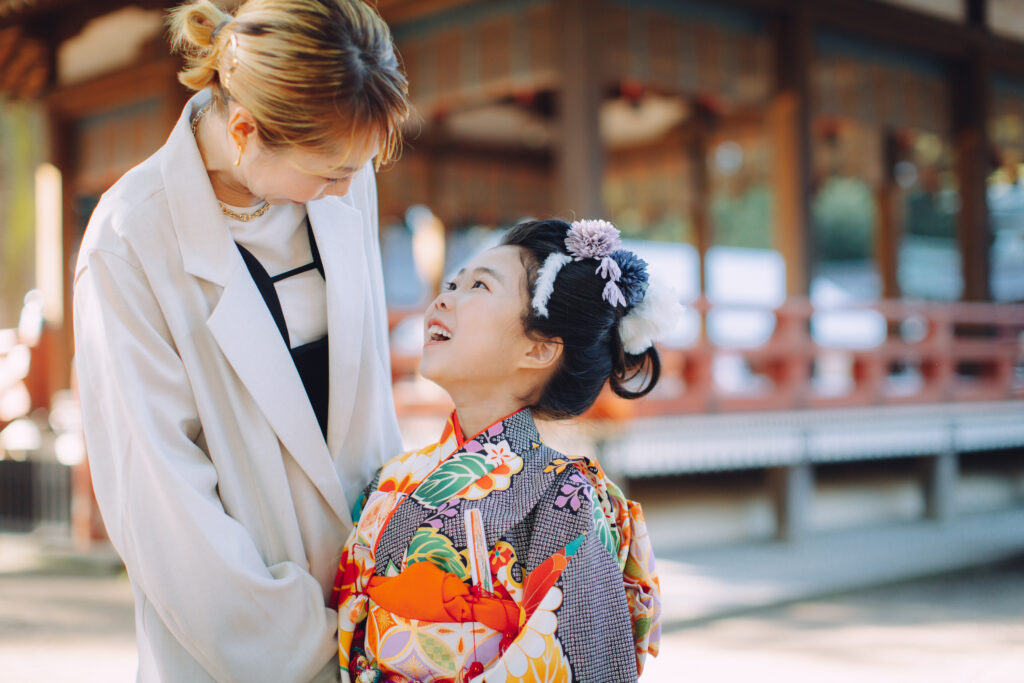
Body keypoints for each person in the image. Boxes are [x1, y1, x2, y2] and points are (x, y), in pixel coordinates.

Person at [72, 1, 409, 680]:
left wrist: (391, 618)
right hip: (240, 653)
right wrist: (319, 646)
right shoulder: (130, 240)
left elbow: (369, 415)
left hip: (382, 625)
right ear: (245, 129)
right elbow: (164, 501)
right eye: (329, 171)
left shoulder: (344, 176)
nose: (347, 187)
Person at [333, 218, 677, 682]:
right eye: (453, 281)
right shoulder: (393, 477)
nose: (443, 297)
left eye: (478, 285)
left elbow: (582, 664)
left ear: (537, 351)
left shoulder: (568, 497)